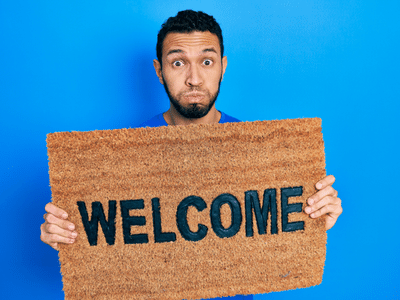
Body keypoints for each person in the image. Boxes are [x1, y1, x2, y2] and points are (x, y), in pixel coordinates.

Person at [40, 10, 343, 300]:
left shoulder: (261, 151)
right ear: (159, 71)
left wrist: (314, 218)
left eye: (207, 62)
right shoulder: (122, 156)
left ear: (223, 66)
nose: (194, 79)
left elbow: (276, 225)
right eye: (178, 63)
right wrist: (66, 236)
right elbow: (104, 237)